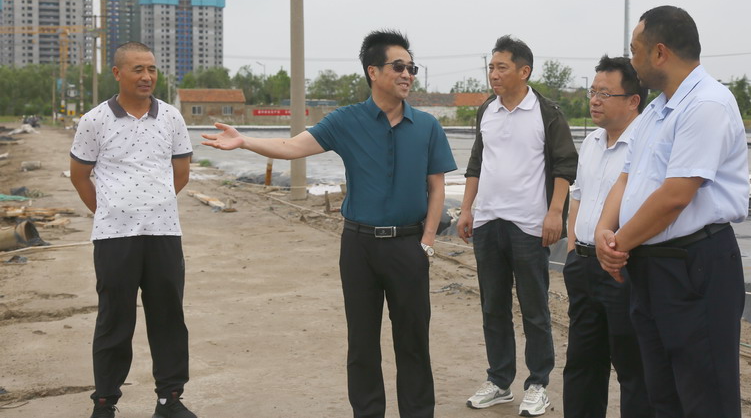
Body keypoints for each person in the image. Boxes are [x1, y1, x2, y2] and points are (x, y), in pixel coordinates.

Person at [202, 30, 456, 418]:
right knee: (362, 344)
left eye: (412, 68)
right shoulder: (346, 121)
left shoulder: (426, 126)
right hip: (359, 247)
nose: (407, 74)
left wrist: (427, 242)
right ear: (373, 71)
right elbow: (291, 147)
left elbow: (437, 187)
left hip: (408, 245)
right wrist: (245, 141)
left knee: (413, 343)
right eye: (399, 67)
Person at [594, 6, 749, 418]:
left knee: (705, 397)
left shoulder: (707, 104)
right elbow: (625, 178)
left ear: (660, 53)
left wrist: (618, 244)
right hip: (651, 267)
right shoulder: (654, 113)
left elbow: (675, 196)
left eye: (635, 50)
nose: (632, 60)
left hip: (694, 266)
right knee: (663, 395)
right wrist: (604, 230)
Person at [70, 42, 198, 418]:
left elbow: (181, 173)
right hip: (114, 236)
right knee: (115, 318)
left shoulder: (171, 117)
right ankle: (105, 402)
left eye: (151, 69)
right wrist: (109, 211)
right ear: (117, 73)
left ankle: (169, 399)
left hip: (163, 232)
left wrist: (153, 204)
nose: (146, 76)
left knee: (168, 316)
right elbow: (80, 176)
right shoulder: (94, 120)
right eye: (138, 69)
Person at [457, 35, 577, 417]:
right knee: (493, 306)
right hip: (488, 222)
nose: (493, 74)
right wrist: (466, 209)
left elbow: (565, 166)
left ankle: (538, 384)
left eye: (501, 67)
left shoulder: (547, 112)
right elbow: (476, 163)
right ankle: (499, 381)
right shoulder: (487, 111)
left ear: (524, 71)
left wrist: (555, 213)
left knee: (534, 308)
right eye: (491, 67)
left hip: (528, 225)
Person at [563, 55, 653, 418]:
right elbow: (578, 198)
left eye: (605, 93)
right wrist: (573, 252)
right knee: (582, 363)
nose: (594, 100)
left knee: (633, 367)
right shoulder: (591, 142)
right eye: (592, 91)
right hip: (584, 266)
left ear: (633, 100)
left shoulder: (647, 145)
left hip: (623, 268)